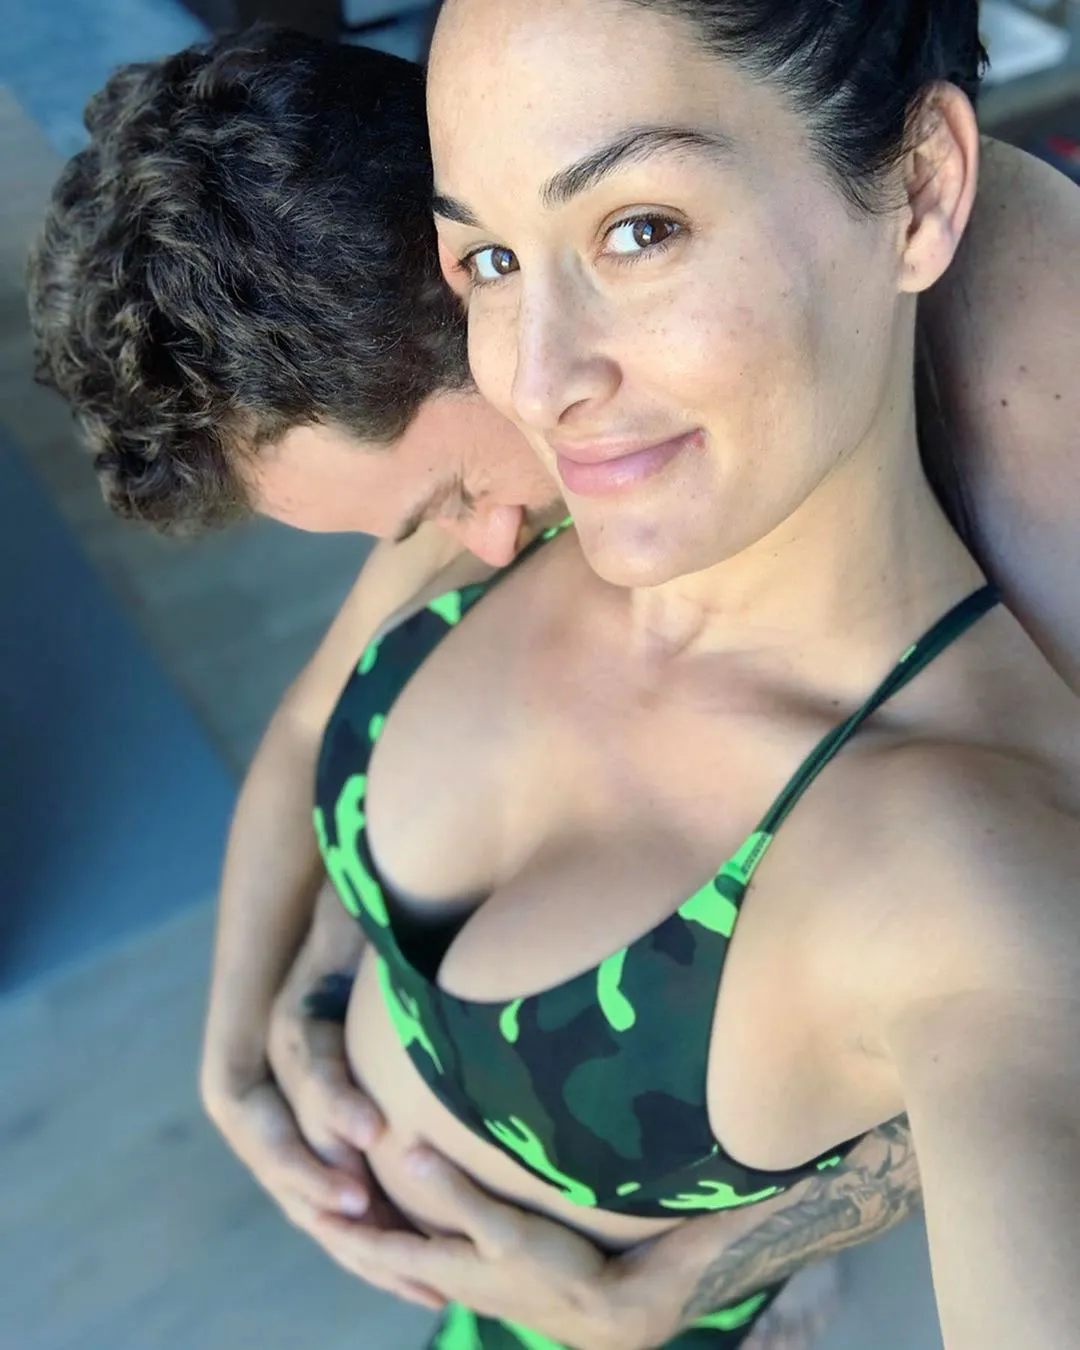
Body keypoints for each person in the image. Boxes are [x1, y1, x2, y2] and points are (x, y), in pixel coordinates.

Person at [26, 20, 1080, 1349]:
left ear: (923, 191)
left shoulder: (954, 858)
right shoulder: (520, 512)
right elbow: (312, 723)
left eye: (642, 230)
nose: (534, 378)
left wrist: (678, 1285)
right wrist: (256, 1031)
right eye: (489, 260)